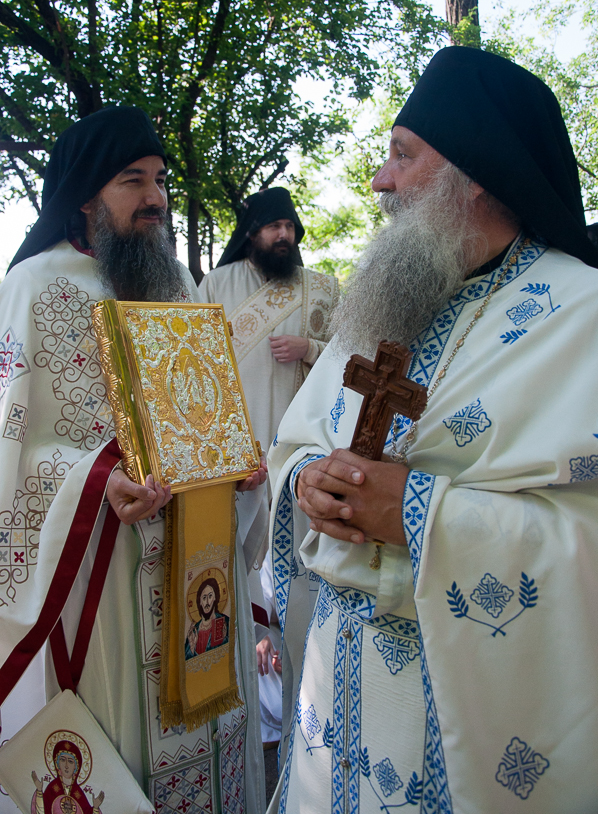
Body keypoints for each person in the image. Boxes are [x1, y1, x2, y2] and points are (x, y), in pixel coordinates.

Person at [267, 46, 598, 813]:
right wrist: (309, 481)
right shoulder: (384, 298)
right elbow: (299, 440)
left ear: (475, 172)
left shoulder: (580, 313)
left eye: (402, 155)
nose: (379, 180)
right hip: (334, 694)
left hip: (460, 710)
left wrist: (417, 514)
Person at [0, 107, 266, 813]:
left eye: (160, 180)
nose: (155, 197)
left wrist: (238, 461)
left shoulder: (177, 283)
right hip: (102, 565)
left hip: (198, 552)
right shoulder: (34, 286)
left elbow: (208, 406)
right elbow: (9, 447)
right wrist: (97, 478)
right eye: (132, 180)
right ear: (87, 195)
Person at [197, 188, 339, 747]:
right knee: (234, 581)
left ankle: (305, 709)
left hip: (302, 463)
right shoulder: (217, 285)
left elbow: (357, 362)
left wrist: (310, 347)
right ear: (251, 231)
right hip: (234, 465)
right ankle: (247, 720)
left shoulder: (322, 288)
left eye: (290, 226)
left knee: (297, 580)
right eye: (272, 225)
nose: (284, 235)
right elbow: (195, 367)